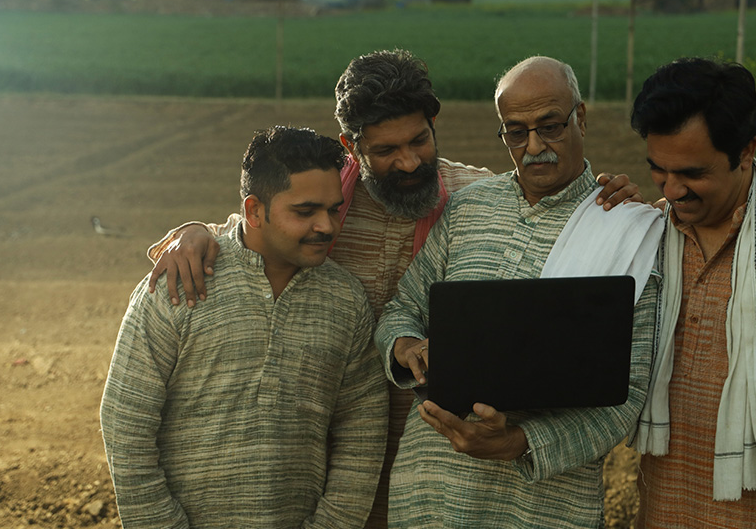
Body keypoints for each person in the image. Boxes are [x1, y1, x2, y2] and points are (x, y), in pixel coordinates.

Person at [142, 49, 641, 528]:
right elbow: (263, 228)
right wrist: (199, 232)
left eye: (418, 141)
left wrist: (612, 203)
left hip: (462, 470)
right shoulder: (323, 207)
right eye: (385, 150)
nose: (407, 163)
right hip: (332, 468)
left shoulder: (469, 198)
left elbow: (550, 196)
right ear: (349, 146)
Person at [373, 56, 661, 528]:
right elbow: (403, 307)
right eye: (515, 131)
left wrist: (518, 442)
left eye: (550, 126)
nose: (534, 146)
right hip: (429, 494)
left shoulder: (628, 232)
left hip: (544, 508)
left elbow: (625, 399)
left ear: (581, 118)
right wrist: (407, 347)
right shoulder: (468, 207)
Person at [99, 126, 388, 528]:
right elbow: (125, 425)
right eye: (305, 212)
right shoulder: (177, 285)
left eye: (333, 209)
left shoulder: (347, 300)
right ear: (254, 211)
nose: (326, 226)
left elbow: (363, 433)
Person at [630, 57, 756, 528]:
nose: (672, 189)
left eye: (692, 173)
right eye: (658, 170)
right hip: (666, 514)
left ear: (747, 150)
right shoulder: (645, 238)